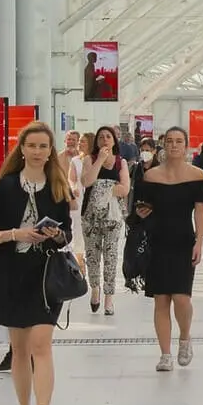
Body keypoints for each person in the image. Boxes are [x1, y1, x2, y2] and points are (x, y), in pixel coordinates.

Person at [0, 121, 76, 405]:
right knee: (19, 349)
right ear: (22, 149)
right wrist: (15, 234)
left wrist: (57, 234)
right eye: (31, 146)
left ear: (50, 152)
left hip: (45, 276)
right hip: (10, 273)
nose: (37, 152)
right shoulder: (6, 186)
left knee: (40, 344)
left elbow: (66, 235)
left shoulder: (58, 187)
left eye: (43, 146)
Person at [133, 127, 203, 371]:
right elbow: (142, 206)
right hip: (158, 240)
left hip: (183, 240)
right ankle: (165, 354)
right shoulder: (151, 176)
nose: (174, 145)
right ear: (164, 145)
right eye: (170, 141)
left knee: (182, 298)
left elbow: (200, 209)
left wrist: (199, 241)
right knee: (161, 299)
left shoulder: (197, 175)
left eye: (179, 141)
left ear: (186, 146)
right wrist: (140, 212)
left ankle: (184, 337)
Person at [81, 125, 131, 315]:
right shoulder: (89, 159)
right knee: (92, 255)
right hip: (90, 216)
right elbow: (87, 182)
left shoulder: (121, 162)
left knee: (110, 257)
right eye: (101, 137)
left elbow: (125, 188)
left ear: (114, 141)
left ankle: (109, 298)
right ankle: (95, 289)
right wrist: (100, 160)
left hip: (112, 217)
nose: (104, 140)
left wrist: (107, 190)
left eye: (108, 136)